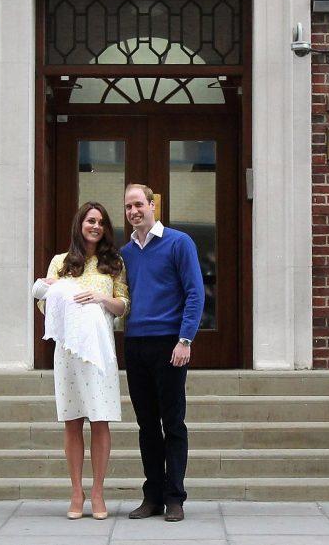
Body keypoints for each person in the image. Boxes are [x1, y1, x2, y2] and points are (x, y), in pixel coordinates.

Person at [31, 202, 129, 520]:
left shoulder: (114, 263)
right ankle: (76, 491)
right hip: (70, 352)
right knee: (73, 421)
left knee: (100, 421)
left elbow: (123, 306)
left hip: (100, 352)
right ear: (80, 224)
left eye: (101, 222)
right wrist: (61, 290)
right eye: (90, 220)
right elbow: (43, 304)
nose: (95, 226)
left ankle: (98, 493)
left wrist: (100, 298)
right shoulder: (60, 262)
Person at [121, 183, 204, 523]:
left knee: (173, 423)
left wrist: (185, 340)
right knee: (146, 425)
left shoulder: (178, 243)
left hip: (170, 343)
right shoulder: (126, 253)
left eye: (138, 204)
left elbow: (195, 293)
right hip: (135, 343)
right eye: (128, 207)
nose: (133, 211)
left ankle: (175, 497)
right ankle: (152, 496)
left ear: (152, 204)